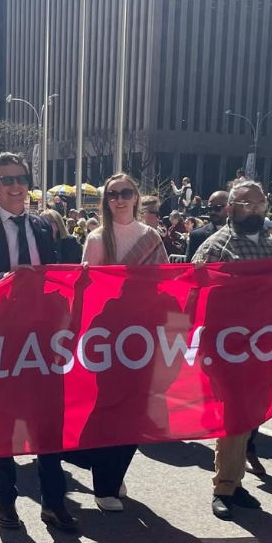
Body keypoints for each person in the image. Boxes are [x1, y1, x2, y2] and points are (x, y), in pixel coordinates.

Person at [0, 152, 77, 532]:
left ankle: (54, 503)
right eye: (7, 180)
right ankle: (5, 502)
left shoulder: (42, 226)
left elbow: (53, 278)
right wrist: (8, 279)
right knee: (1, 427)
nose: (15, 186)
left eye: (21, 179)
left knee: (48, 424)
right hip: (1, 342)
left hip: (43, 341)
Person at [192, 180, 272, 516]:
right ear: (231, 209)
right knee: (233, 413)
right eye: (248, 204)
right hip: (226, 344)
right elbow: (196, 293)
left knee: (249, 413)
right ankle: (223, 487)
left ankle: (235, 482)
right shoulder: (216, 247)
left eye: (260, 203)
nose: (256, 209)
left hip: (262, 344)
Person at [74, 173, 167, 512]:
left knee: (137, 408)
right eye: (113, 194)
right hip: (109, 334)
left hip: (143, 333)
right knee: (109, 408)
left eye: (126, 192)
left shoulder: (151, 237)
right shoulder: (98, 239)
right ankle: (105, 483)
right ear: (106, 200)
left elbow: (165, 282)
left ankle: (115, 471)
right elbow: (88, 291)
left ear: (136, 197)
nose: (119, 199)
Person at [185, 191, 228, 259]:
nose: (212, 212)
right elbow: (189, 263)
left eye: (217, 208)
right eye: (209, 208)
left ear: (229, 207)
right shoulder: (197, 236)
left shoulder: (241, 233)